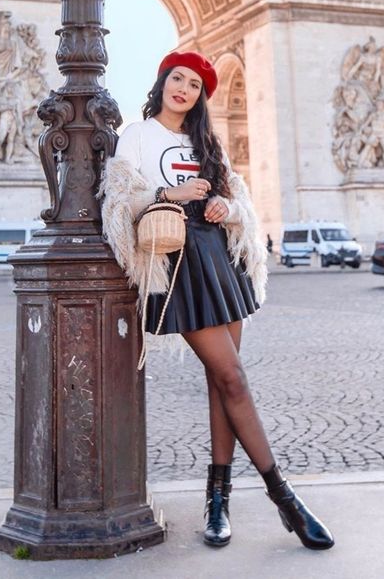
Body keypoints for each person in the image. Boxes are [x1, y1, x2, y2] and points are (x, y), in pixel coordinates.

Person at [99, 51, 334, 552]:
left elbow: (237, 200)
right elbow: (118, 198)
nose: (183, 88)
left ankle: (218, 499)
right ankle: (284, 498)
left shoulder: (205, 140)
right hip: (179, 264)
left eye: (194, 84)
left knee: (220, 383)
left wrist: (227, 205)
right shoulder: (138, 135)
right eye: (177, 79)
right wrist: (172, 190)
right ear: (162, 82)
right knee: (233, 377)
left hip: (220, 261)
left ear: (203, 96)